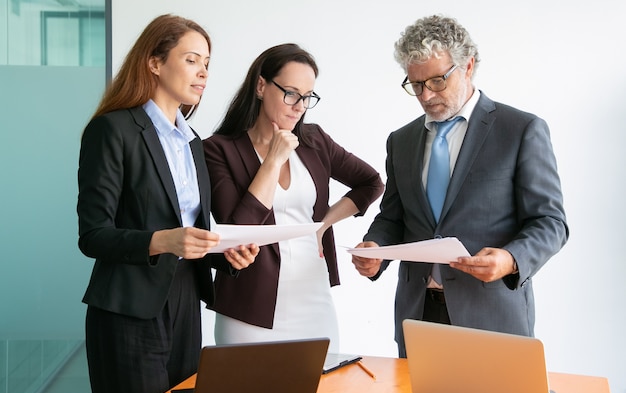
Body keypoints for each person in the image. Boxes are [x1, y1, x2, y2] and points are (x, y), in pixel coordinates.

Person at [352, 15, 568, 358]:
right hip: (419, 315)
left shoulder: (520, 129)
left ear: (468, 66)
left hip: (492, 317)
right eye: (416, 84)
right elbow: (393, 216)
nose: (425, 95)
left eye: (437, 81)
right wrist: (375, 247)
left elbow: (551, 223)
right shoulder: (401, 140)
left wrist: (512, 259)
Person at [77, 14, 259, 393]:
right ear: (155, 62)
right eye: (192, 60)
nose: (203, 73)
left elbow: (193, 233)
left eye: (207, 63)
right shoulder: (113, 131)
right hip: (128, 310)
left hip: (185, 301)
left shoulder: (192, 143)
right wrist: (163, 240)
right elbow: (93, 234)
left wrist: (225, 254)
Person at [203, 43, 384, 353]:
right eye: (291, 93)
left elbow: (371, 182)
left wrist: (323, 224)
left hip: (313, 299)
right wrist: (272, 161)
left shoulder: (315, 140)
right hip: (249, 309)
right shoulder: (218, 150)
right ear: (261, 86)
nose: (299, 105)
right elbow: (238, 230)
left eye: (308, 97)